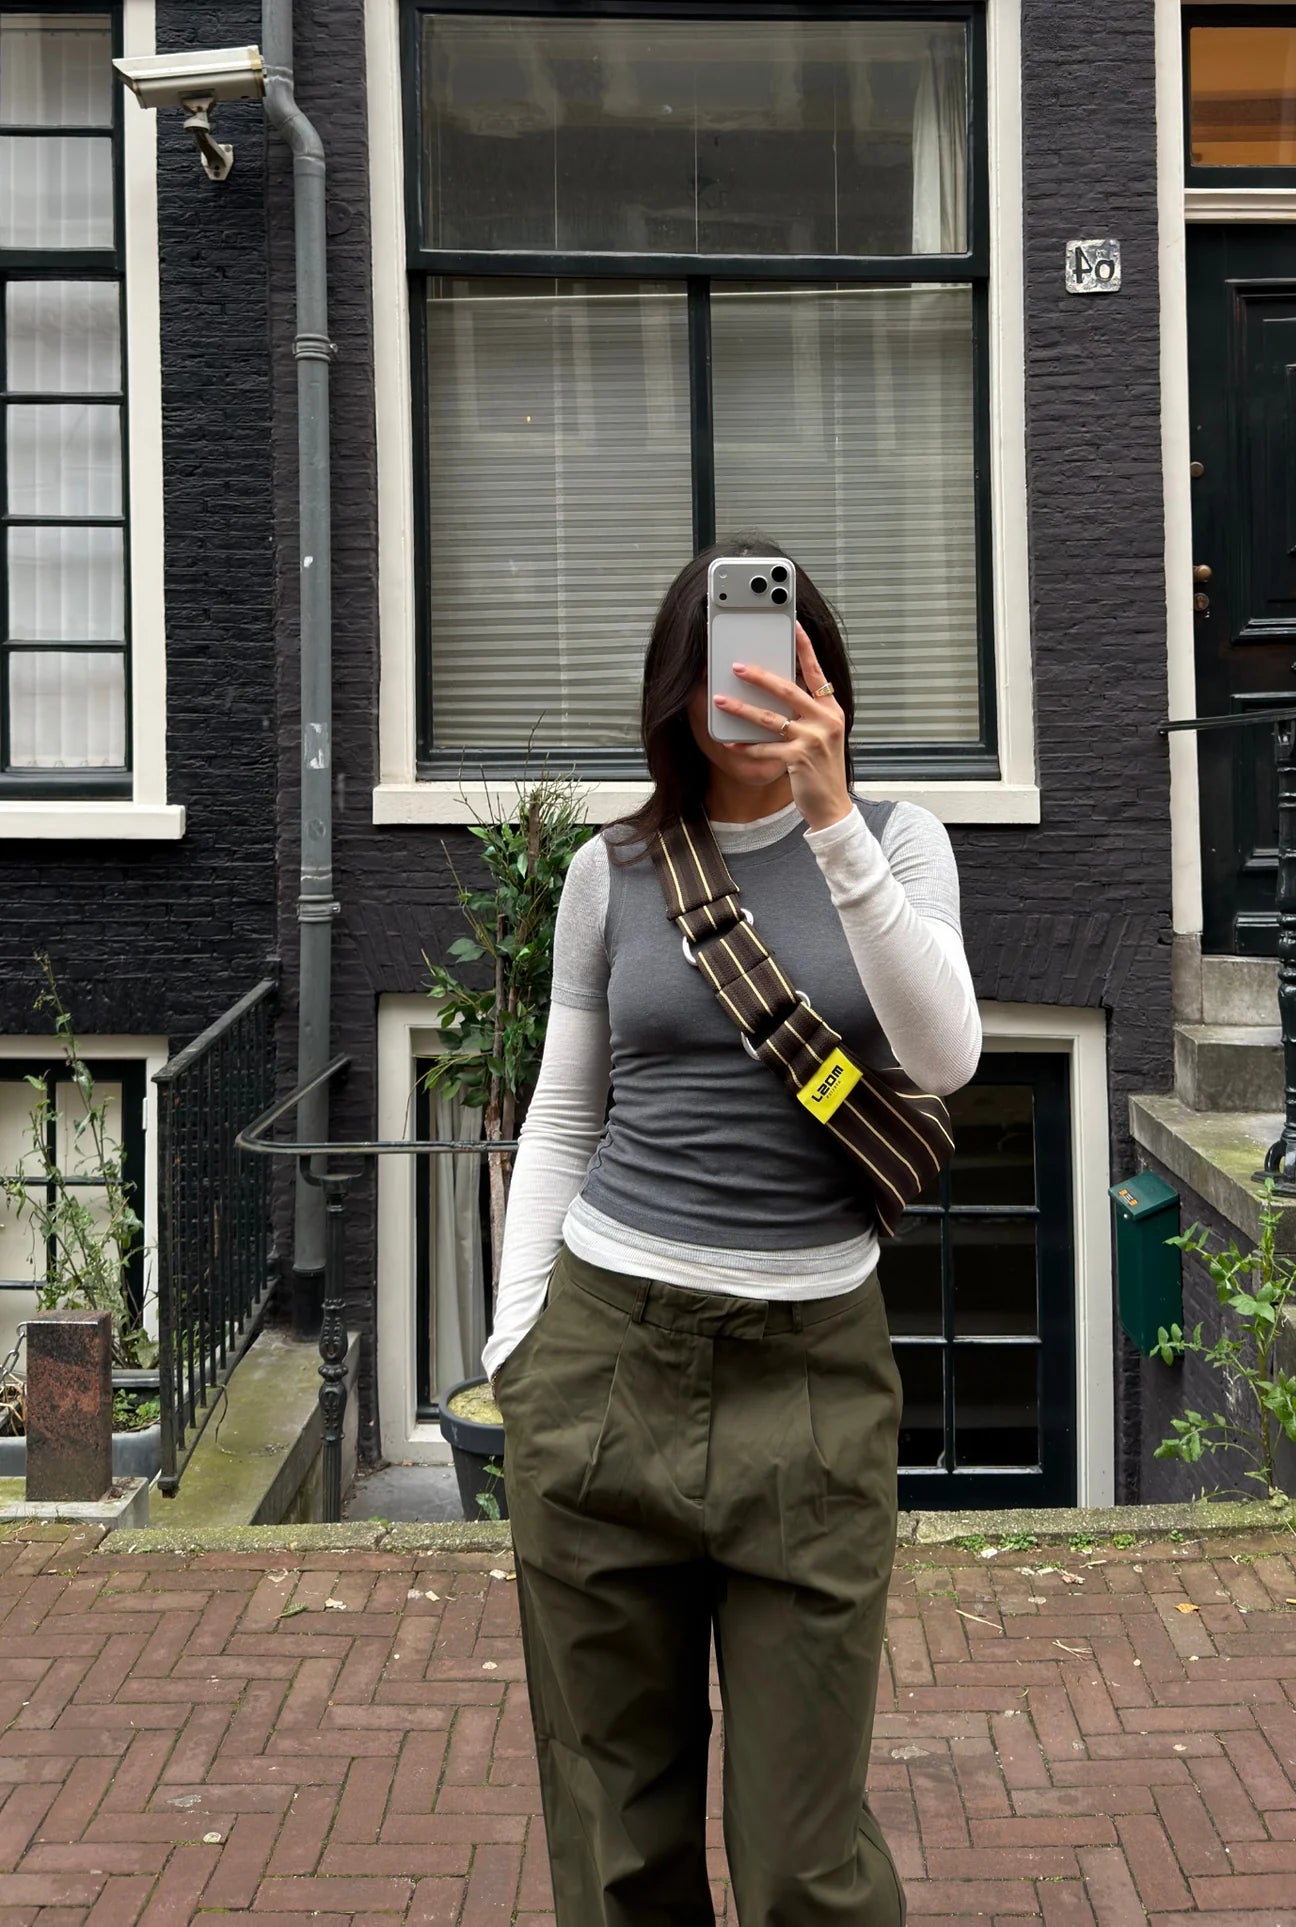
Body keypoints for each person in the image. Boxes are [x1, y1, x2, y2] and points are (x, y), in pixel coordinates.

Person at [484, 540, 981, 1925]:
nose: (745, 688)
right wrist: (519, 1347)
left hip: (811, 1377)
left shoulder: (898, 841)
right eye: (718, 662)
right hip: (602, 1359)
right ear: (675, 688)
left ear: (820, 677)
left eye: (772, 657)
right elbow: (563, 1116)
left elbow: (943, 1056)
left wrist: (831, 820)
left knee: (805, 1867)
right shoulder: (611, 870)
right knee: (615, 1841)